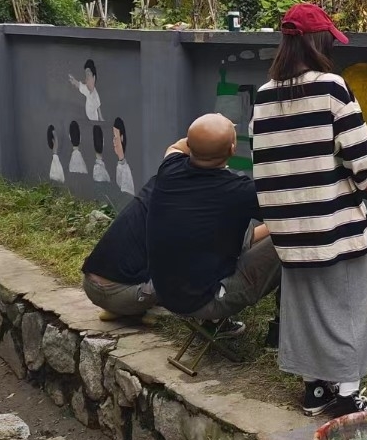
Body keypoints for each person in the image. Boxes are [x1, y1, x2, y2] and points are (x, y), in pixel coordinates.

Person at [252, 3, 367, 419]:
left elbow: (263, 161)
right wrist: (366, 182)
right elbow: (359, 156)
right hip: (332, 223)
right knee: (348, 306)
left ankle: (315, 392)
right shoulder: (331, 88)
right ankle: (348, 395)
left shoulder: (264, 96)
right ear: (318, 42)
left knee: (304, 309)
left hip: (288, 227)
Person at [146, 114, 282, 336]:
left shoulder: (169, 169)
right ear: (232, 150)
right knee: (290, 239)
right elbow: (289, 220)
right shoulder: (240, 192)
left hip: (164, 292)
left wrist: (210, 125)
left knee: (229, 226)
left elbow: (176, 146)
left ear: (190, 145)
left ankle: (218, 323)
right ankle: (287, 329)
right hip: (207, 300)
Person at [81, 172, 157, 321]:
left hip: (89, 286)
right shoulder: (180, 211)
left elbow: (176, 149)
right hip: (128, 295)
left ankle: (121, 309)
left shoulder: (153, 186)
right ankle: (131, 308)